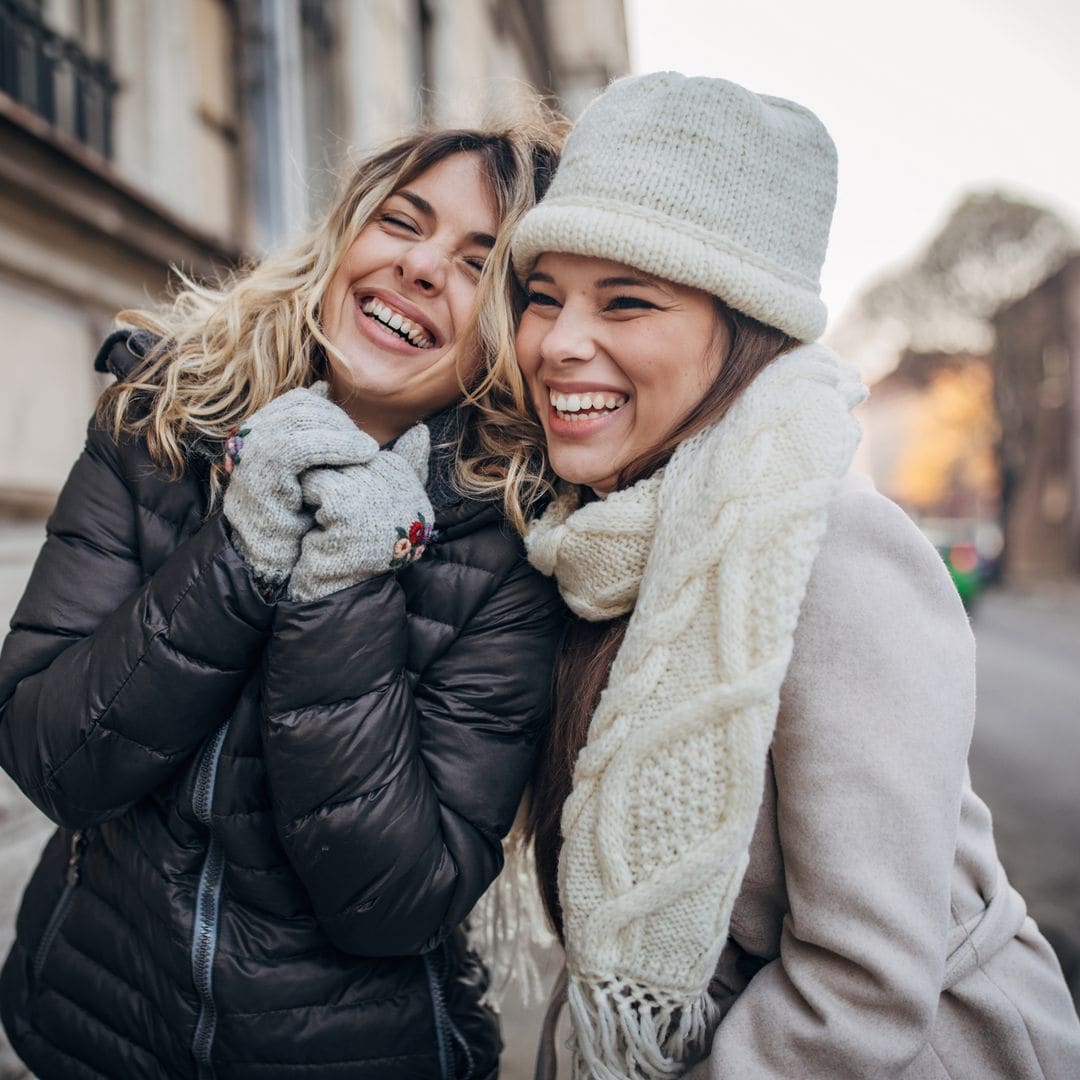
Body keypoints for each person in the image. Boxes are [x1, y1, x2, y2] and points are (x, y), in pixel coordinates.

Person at [492, 72, 1080, 1079]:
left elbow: (862, 984)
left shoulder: (833, 549)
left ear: (746, 326)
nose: (558, 343)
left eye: (626, 302)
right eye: (543, 298)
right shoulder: (598, 539)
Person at [0, 115, 566, 1080]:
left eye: (479, 264)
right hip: (87, 1023)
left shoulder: (516, 554)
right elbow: (52, 757)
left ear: (512, 339)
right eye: (402, 221)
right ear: (345, 236)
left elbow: (396, 899)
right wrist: (242, 550)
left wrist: (345, 582)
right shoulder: (161, 421)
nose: (422, 268)